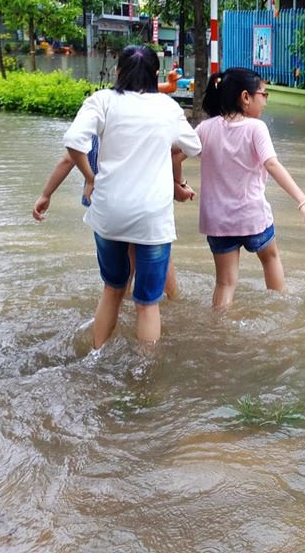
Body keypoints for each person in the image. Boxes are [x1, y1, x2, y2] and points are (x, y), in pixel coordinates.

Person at [62, 45, 202, 348]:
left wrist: (90, 177)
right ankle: (146, 377)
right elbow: (193, 147)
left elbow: (74, 142)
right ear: (156, 75)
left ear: (117, 72)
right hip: (152, 216)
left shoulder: (102, 100)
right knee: (147, 303)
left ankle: (97, 357)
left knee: (112, 290)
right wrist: (168, 161)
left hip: (109, 211)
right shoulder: (167, 107)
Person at [177, 67, 305, 309]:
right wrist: (303, 200)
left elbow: (174, 156)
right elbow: (272, 164)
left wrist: (178, 184)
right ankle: (280, 310)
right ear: (246, 97)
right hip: (251, 217)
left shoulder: (205, 129)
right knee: (270, 259)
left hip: (217, 221)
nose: (265, 102)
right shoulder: (256, 128)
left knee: (224, 284)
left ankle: (218, 330)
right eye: (264, 95)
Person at [32, 137, 193, 299]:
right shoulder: (136, 125)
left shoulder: (94, 127)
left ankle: (121, 303)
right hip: (141, 200)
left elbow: (67, 160)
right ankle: (172, 301)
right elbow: (177, 150)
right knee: (157, 252)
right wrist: (179, 183)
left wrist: (46, 194)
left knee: (121, 265)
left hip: (107, 206)